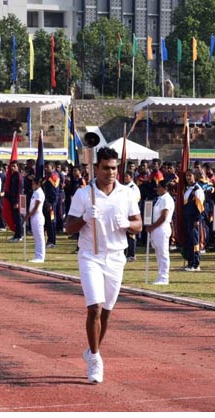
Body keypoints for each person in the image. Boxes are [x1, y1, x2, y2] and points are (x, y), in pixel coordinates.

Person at [65, 147, 142, 384]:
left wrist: (127, 223)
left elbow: (139, 224)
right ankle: (95, 359)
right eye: (106, 168)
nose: (111, 172)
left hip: (116, 256)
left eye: (114, 168)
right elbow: (68, 228)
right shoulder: (83, 194)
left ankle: (92, 350)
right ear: (96, 168)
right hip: (91, 255)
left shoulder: (126, 193)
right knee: (94, 308)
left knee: (107, 311)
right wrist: (85, 218)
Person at [148, 180, 174, 285]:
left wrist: (152, 226)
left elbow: (164, 216)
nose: (157, 189)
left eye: (159, 187)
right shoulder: (160, 199)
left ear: (165, 188)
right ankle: (160, 276)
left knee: (163, 253)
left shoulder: (167, 199)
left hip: (162, 228)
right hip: (156, 228)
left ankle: (164, 277)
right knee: (158, 253)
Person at [182, 169, 205, 271]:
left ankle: (196, 264)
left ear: (194, 176)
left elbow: (199, 207)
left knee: (195, 241)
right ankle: (190, 262)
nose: (188, 178)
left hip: (193, 219)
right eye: (186, 176)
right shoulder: (187, 188)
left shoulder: (197, 189)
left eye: (190, 176)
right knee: (189, 241)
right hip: (187, 218)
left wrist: (197, 219)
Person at [26, 177, 46, 263]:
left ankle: (40, 256)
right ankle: (37, 255)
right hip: (33, 217)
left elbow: (36, 207)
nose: (32, 185)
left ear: (38, 184)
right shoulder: (35, 192)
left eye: (33, 183)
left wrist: (28, 216)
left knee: (40, 237)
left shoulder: (39, 193)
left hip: (37, 216)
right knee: (36, 237)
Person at [123, 171, 140, 262]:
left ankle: (131, 254)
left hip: (131, 213)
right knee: (125, 234)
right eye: (125, 176)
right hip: (124, 213)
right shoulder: (124, 187)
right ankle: (125, 253)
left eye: (127, 176)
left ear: (131, 177)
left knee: (131, 234)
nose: (125, 177)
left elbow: (135, 200)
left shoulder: (134, 188)